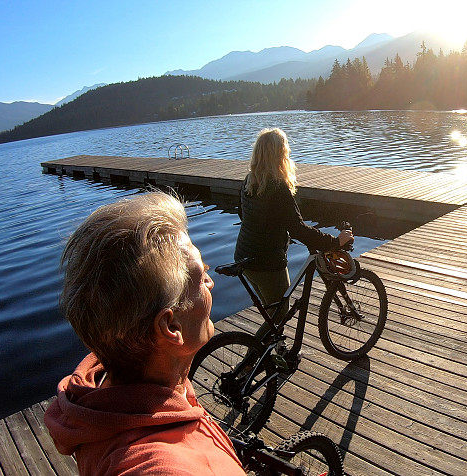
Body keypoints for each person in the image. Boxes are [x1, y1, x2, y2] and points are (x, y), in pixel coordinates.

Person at [44, 192, 246, 476]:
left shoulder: (110, 396)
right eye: (201, 277)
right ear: (171, 327)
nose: (211, 282)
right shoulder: (162, 467)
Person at [234, 128, 352, 338]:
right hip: (266, 262)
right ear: (281, 155)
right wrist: (336, 241)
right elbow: (298, 228)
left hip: (244, 256)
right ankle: (247, 366)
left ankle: (278, 351)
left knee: (272, 311)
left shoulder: (249, 181)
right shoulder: (277, 187)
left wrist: (273, 229)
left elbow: (244, 215)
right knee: (279, 314)